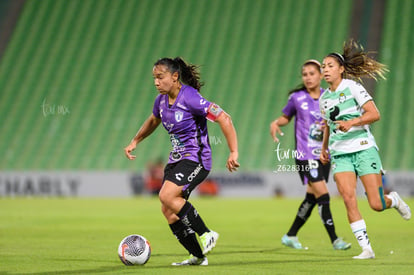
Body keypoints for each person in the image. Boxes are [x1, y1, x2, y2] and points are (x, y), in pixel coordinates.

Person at [124, 57, 239, 266]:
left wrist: (233, 152)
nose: (156, 82)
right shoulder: (160, 101)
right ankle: (197, 256)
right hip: (177, 159)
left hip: (197, 159)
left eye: (160, 77)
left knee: (166, 195)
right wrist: (135, 140)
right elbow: (153, 120)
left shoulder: (191, 98)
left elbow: (224, 118)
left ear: (175, 77)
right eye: (154, 78)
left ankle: (207, 233)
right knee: (168, 209)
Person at [319, 40, 411, 259]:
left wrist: (352, 123)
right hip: (340, 153)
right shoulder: (323, 99)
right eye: (323, 66)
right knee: (348, 199)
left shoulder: (352, 87)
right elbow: (327, 125)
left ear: (341, 69)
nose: (326, 70)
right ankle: (366, 248)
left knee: (376, 204)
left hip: (363, 148)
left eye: (330, 65)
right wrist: (324, 149)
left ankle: (394, 200)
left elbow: (374, 113)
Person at [270, 60, 351, 251]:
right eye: (305, 74)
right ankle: (335, 240)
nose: (308, 77)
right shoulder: (296, 98)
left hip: (324, 155)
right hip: (305, 155)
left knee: (312, 198)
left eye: (312, 73)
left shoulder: (329, 96)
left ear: (321, 75)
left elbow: (339, 120)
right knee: (323, 195)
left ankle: (290, 235)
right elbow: (286, 117)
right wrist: (276, 123)